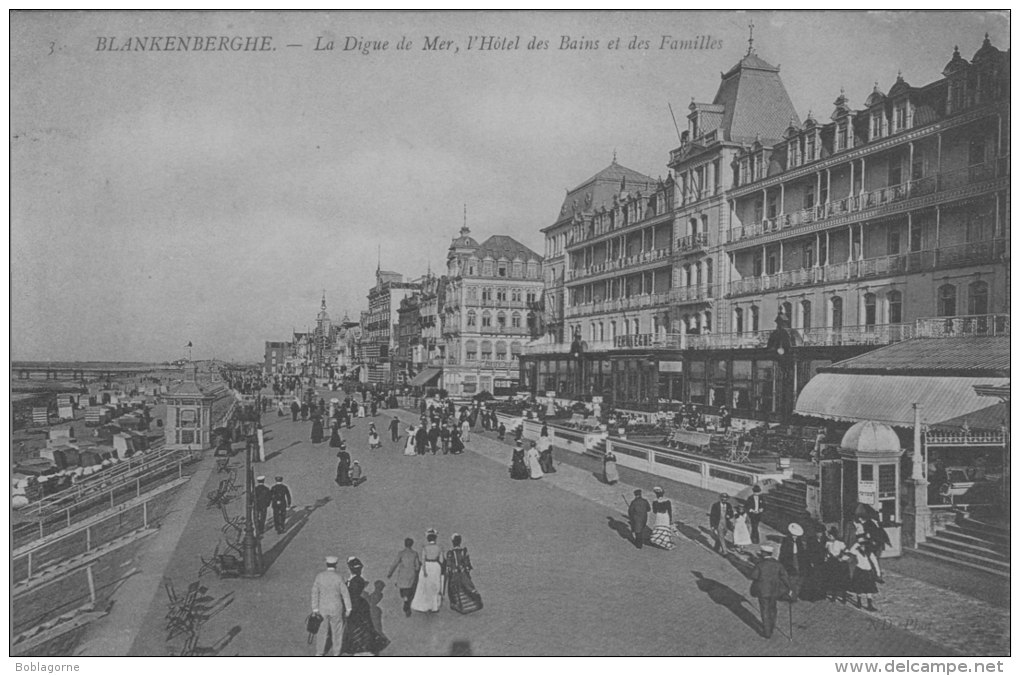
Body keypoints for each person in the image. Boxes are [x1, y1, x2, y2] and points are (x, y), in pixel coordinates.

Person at [341, 557, 388, 655]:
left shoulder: (356, 580)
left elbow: (351, 593)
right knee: (363, 627)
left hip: (354, 606)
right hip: (359, 605)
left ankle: (360, 648)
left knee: (357, 628)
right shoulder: (356, 580)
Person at [310, 555, 353, 656]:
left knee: (321, 632)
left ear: (326, 564)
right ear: (336, 565)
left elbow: (314, 593)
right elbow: (345, 594)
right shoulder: (339, 577)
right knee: (337, 631)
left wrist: (315, 608)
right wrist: (348, 608)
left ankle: (319, 653)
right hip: (336, 608)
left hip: (322, 608)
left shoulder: (319, 576)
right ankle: (336, 653)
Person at [750, 545, 791, 639]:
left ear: (763, 554)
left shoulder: (760, 564)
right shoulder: (778, 564)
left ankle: (767, 631)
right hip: (775, 591)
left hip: (763, 591)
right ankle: (771, 626)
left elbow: (753, 576)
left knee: (764, 610)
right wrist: (789, 588)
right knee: (773, 608)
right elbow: (785, 577)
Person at [445, 534, 483, 614]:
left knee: (453, 589)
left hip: (455, 574)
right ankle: (475, 602)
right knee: (467, 586)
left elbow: (449, 566)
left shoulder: (450, 553)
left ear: (452, 542)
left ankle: (458, 605)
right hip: (463, 573)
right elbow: (467, 563)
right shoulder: (464, 551)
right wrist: (467, 571)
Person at [410, 529, 444, 613]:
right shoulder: (439, 548)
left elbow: (423, 560)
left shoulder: (425, 548)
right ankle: (434, 606)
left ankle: (425, 604)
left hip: (427, 566)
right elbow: (442, 560)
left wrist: (424, 570)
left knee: (424, 585)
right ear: (435, 539)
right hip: (436, 566)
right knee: (435, 586)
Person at [387, 538, 421, 617]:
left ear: (405, 544)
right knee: (409, 589)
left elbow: (395, 563)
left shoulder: (401, 553)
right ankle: (407, 600)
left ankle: (405, 600)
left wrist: (390, 573)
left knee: (403, 589)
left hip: (402, 574)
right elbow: (417, 567)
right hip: (411, 574)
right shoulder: (415, 553)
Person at [848, 537, 882, 612]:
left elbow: (875, 563)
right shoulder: (857, 552)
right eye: (861, 546)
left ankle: (869, 605)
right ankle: (859, 602)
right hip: (859, 571)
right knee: (858, 587)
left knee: (869, 588)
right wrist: (857, 543)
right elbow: (851, 550)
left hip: (868, 572)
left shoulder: (870, 553)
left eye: (864, 546)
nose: (862, 547)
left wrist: (878, 572)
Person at [823, 527, 850, 604]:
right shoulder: (828, 543)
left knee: (841, 580)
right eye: (829, 536)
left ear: (834, 536)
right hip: (832, 563)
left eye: (830, 536)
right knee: (833, 579)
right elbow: (826, 553)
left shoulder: (840, 543)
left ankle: (844, 597)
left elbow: (847, 553)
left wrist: (842, 558)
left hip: (839, 563)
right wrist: (827, 557)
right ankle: (833, 596)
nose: (829, 537)